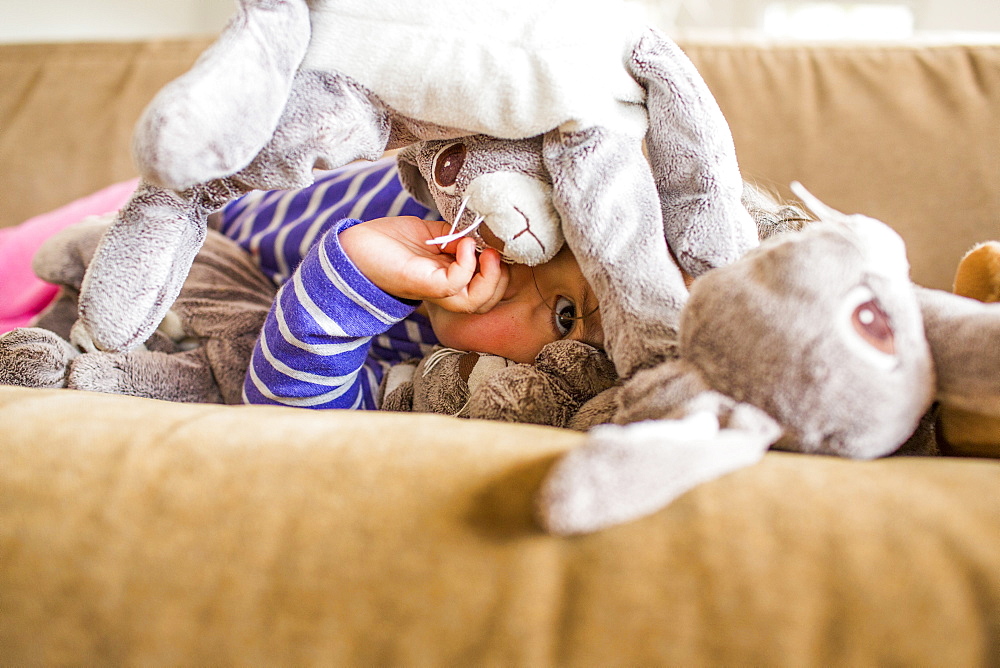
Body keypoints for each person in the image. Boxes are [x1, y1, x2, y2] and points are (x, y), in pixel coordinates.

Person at [219, 156, 603, 410]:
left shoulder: (438, 380)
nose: (513, 256)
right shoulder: (465, 190)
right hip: (233, 187)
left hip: (224, 260)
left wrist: (355, 272)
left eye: (565, 315)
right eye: (555, 235)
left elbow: (289, 425)